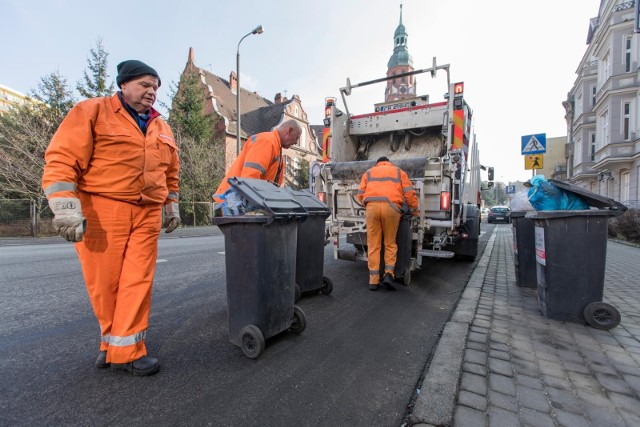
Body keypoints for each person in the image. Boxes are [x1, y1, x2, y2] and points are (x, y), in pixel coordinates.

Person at [42, 60, 180, 376]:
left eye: (156, 87)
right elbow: (62, 159)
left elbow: (171, 172)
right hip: (103, 208)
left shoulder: (162, 126)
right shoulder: (92, 111)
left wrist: (171, 206)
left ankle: (128, 350)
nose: (152, 92)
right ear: (124, 84)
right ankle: (111, 344)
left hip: (146, 213)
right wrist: (64, 206)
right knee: (105, 283)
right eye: (145, 85)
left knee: (137, 281)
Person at [357, 156, 419, 291]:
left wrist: (367, 203)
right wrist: (414, 211)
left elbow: (360, 194)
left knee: (373, 245)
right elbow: (410, 193)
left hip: (372, 208)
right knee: (390, 243)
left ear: (377, 163)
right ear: (389, 163)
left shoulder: (369, 172)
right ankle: (388, 275)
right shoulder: (398, 171)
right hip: (391, 208)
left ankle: (373, 281)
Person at [212, 119, 302, 205]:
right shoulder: (267, 141)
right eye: (296, 137)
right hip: (234, 202)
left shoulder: (275, 147)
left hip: (238, 201)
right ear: (289, 131)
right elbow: (249, 179)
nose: (296, 142)